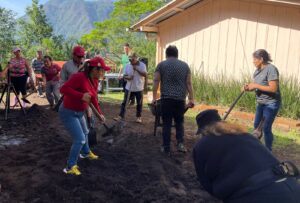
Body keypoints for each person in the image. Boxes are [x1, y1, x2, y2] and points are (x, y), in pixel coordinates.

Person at [193, 109, 300, 203]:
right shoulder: (245, 135)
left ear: (203, 131)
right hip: (291, 186)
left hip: (255, 196)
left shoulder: (201, 145)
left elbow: (206, 183)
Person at [59, 56, 110, 175]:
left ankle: (85, 153)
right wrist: (80, 96)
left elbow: (93, 99)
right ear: (94, 70)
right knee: (80, 139)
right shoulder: (79, 77)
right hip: (68, 112)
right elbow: (63, 89)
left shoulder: (95, 81)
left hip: (80, 112)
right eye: (102, 70)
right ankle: (70, 167)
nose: (103, 72)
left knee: (86, 132)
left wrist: (100, 114)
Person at [152, 45, 194, 154]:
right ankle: (180, 144)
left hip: (166, 100)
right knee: (179, 122)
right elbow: (188, 83)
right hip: (180, 100)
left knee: (166, 123)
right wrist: (191, 98)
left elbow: (156, 80)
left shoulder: (161, 65)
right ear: (177, 54)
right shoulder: (185, 66)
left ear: (166, 54)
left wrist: (154, 98)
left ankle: (166, 147)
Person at [242, 49, 281, 151]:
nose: (253, 61)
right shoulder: (257, 71)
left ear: (261, 59)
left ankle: (268, 150)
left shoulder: (271, 69)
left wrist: (255, 85)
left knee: (266, 128)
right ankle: (256, 149)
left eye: (255, 59)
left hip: (271, 104)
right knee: (256, 126)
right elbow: (258, 87)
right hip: (261, 103)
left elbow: (273, 88)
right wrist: (248, 87)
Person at [114, 53, 147, 123]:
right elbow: (124, 76)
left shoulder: (142, 65)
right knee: (125, 102)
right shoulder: (127, 65)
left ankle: (139, 117)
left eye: (132, 59)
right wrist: (128, 77)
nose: (131, 61)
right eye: (129, 59)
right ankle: (120, 116)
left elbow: (145, 74)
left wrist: (137, 69)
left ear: (136, 58)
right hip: (129, 87)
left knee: (139, 103)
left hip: (139, 88)